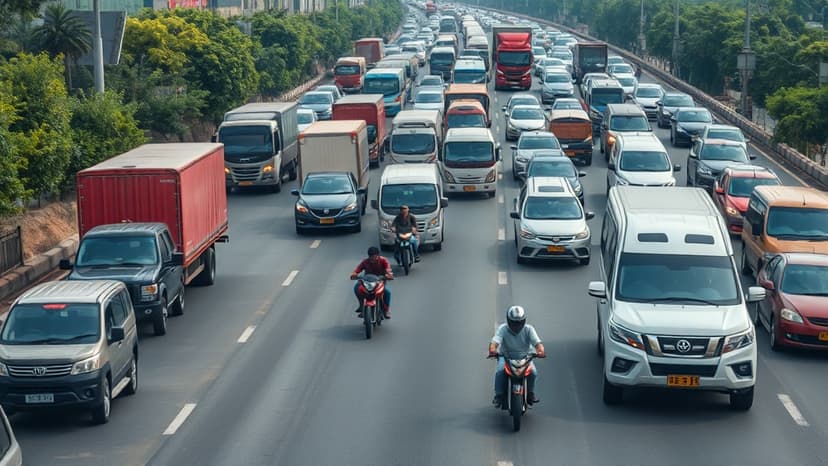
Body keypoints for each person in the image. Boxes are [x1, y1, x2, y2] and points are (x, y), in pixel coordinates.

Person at [488, 305, 546, 407]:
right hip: (505, 356)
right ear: (509, 320)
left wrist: (540, 351)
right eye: (514, 322)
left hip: (526, 357)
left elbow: (537, 343)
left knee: (533, 372)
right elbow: (495, 342)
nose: (517, 325)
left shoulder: (529, 329)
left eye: (519, 322)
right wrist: (492, 350)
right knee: (500, 372)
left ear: (523, 321)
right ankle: (499, 395)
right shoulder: (503, 329)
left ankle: (530, 394)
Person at [350, 246, 394, 319]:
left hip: (380, 282)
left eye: (374, 256)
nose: (373, 259)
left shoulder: (384, 261)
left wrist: (389, 275)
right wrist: (354, 274)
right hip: (367, 282)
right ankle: (361, 305)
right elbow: (357, 270)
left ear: (378, 255)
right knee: (356, 287)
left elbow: (388, 269)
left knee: (387, 292)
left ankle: (386, 310)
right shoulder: (365, 262)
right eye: (371, 257)